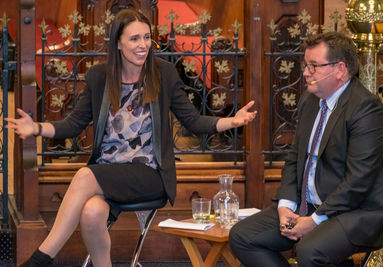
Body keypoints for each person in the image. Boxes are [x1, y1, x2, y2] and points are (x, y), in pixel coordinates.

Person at [6, 9, 257, 267]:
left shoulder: (164, 73)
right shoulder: (99, 77)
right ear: (118, 42)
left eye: (147, 37)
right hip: (108, 172)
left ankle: (39, 260)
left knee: (83, 175)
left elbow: (193, 121)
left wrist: (231, 122)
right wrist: (36, 128)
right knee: (92, 214)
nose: (143, 45)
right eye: (135, 38)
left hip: (149, 173)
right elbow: (73, 124)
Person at [229, 31, 383, 267]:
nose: (306, 72)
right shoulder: (310, 101)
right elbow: (293, 159)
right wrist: (285, 206)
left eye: (314, 66)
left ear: (339, 69)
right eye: (305, 65)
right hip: (308, 205)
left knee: (309, 250)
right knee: (243, 236)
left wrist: (315, 220)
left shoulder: (365, 109)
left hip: (358, 210)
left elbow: (358, 181)